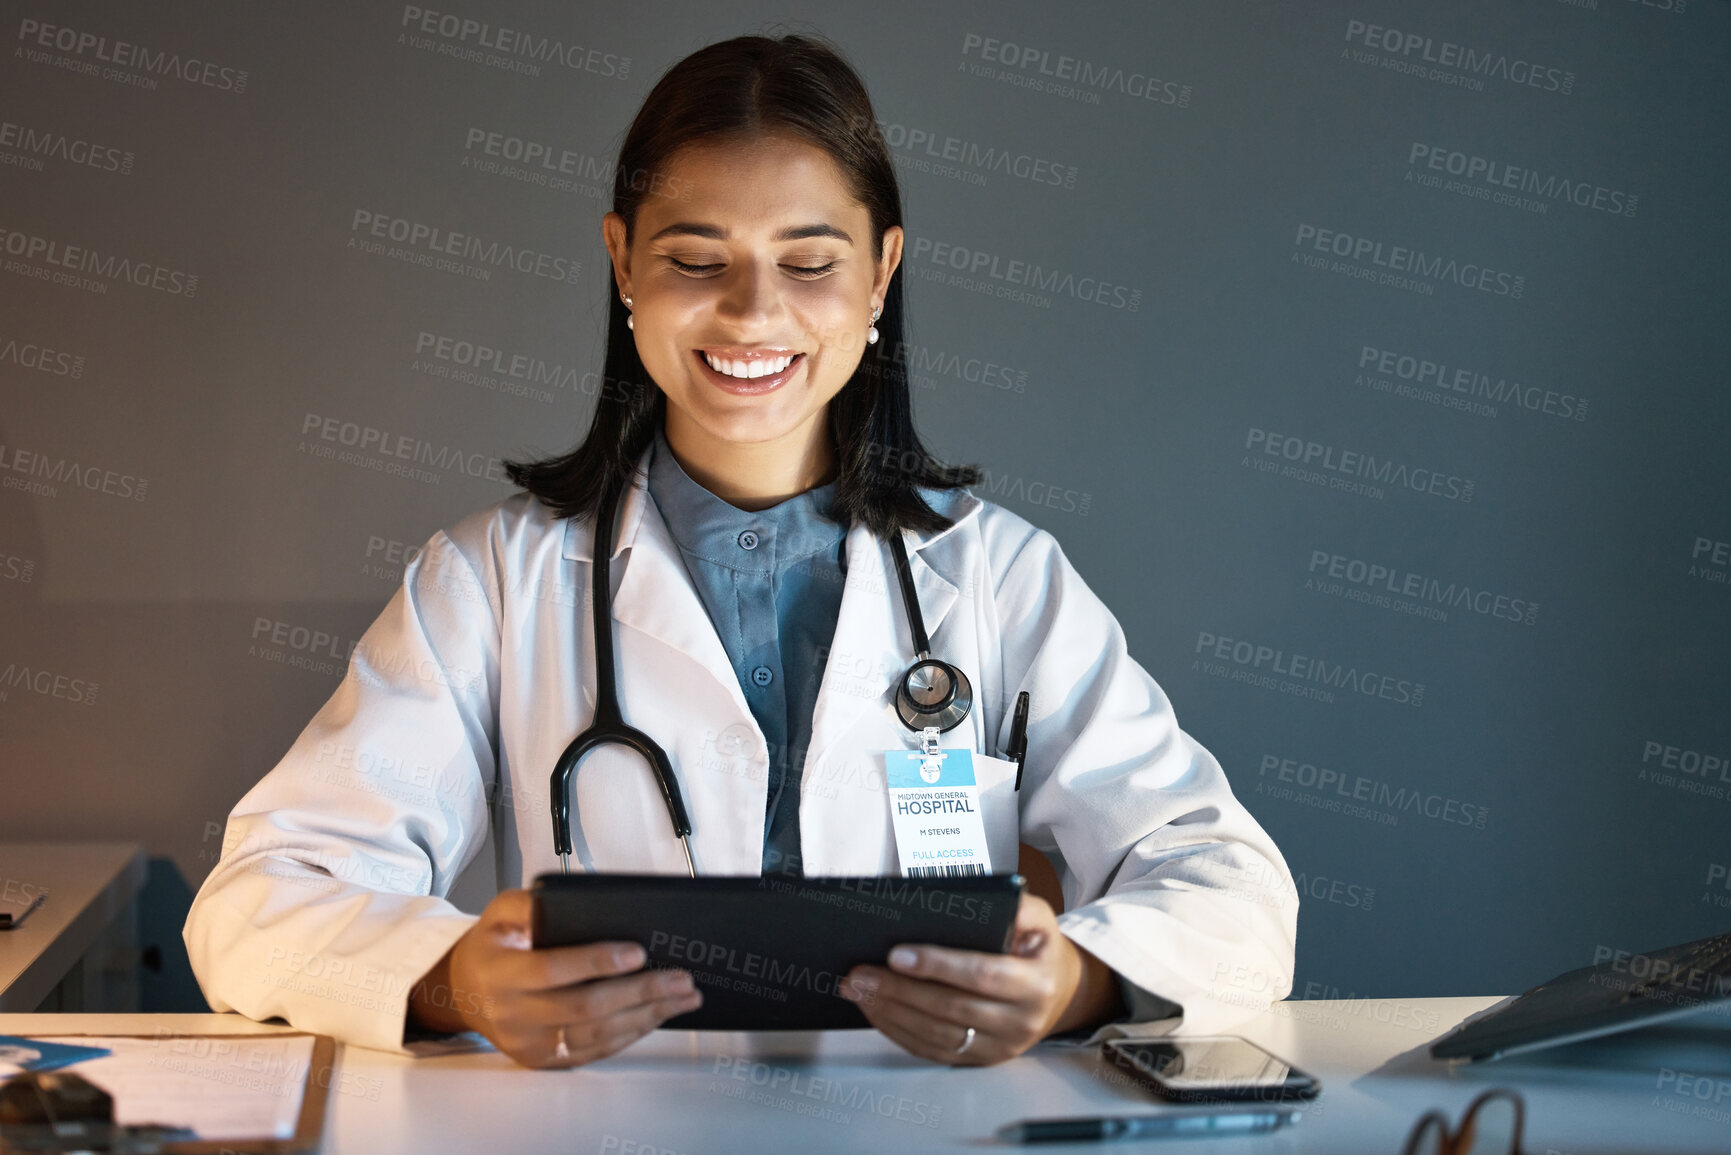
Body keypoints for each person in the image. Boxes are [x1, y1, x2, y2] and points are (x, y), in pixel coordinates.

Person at [184, 33, 1296, 1070]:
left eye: (809, 263)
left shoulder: (1003, 581)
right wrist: (452, 986)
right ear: (622, 261)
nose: (753, 312)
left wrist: (1080, 983)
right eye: (694, 258)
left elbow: (1233, 888)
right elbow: (258, 898)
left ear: (881, 273)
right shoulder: (489, 583)